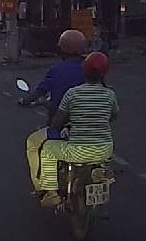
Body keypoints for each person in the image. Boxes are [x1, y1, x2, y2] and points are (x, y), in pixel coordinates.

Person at [34, 51, 118, 208]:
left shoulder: (72, 93)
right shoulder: (110, 95)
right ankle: (104, 176)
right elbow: (113, 116)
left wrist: (57, 126)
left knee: (47, 149)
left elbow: (57, 121)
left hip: (78, 151)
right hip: (104, 150)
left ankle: (51, 194)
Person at [21, 29, 88, 186]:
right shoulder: (89, 69)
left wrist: (25, 100)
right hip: (86, 126)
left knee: (34, 144)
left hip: (60, 124)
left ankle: (46, 189)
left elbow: (40, 91)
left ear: (61, 49)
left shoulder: (57, 70)